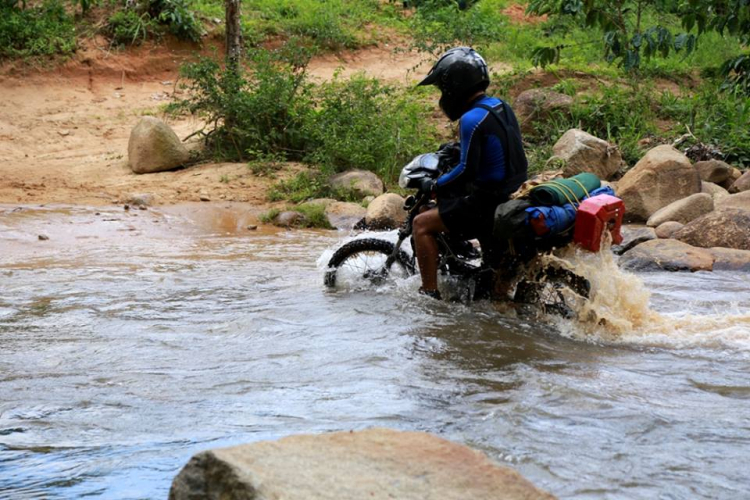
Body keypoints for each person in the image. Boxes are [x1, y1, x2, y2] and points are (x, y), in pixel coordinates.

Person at [413, 47, 528, 300]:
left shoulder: (471, 119)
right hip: (515, 191)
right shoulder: (500, 106)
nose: (443, 96)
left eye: (443, 89)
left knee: (421, 223)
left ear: (455, 86)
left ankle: (428, 293)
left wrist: (434, 185)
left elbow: (466, 170)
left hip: (488, 202)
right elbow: (500, 146)